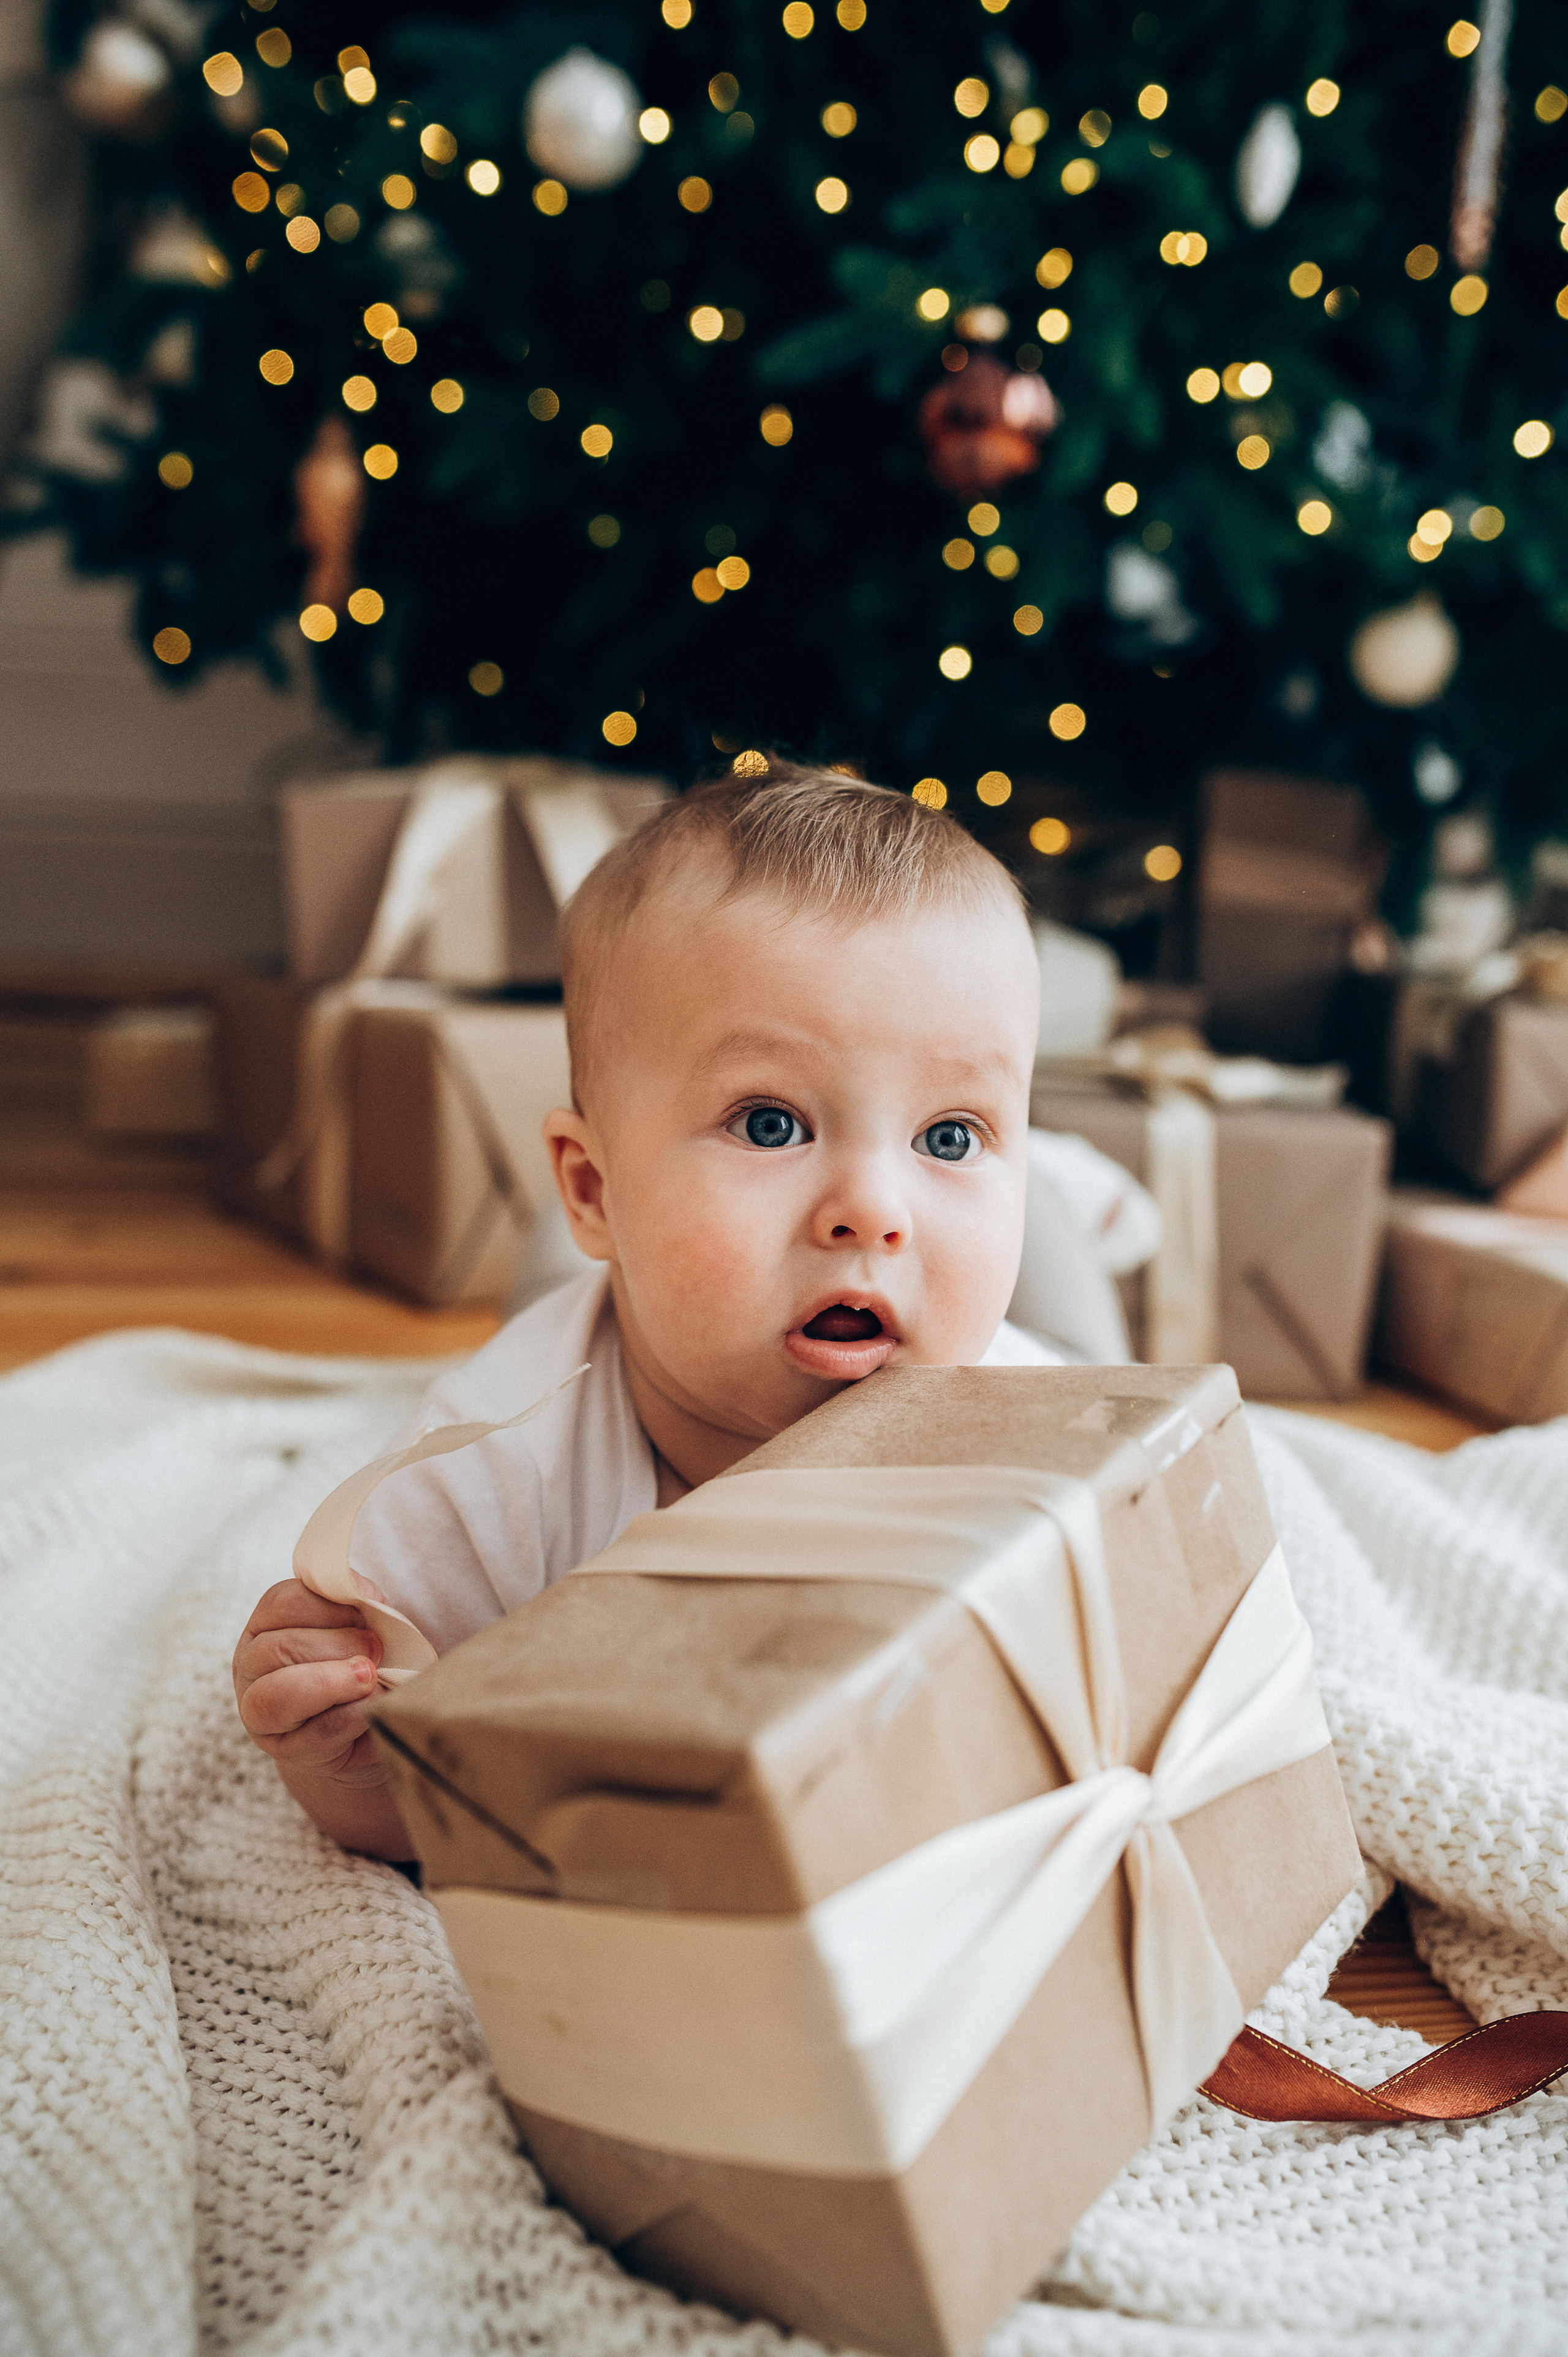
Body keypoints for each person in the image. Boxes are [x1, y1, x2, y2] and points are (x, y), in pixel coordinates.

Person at [233, 760, 1061, 1857]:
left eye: (949, 1134)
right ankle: (591, 1234)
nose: (872, 1208)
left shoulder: (1047, 1457)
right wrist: (339, 1757)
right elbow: (417, 1815)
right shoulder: (495, 1472)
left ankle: (1076, 1204)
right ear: (591, 1186)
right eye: (770, 1124)